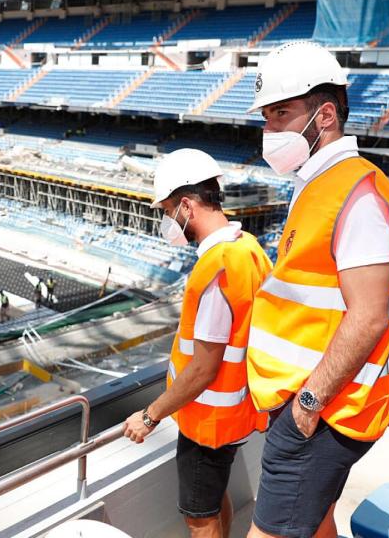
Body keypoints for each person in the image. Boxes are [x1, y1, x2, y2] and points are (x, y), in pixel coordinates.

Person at [243, 41, 389, 538]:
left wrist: (307, 406)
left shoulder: (356, 193)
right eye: (266, 118)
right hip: (312, 401)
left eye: (281, 114)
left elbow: (368, 316)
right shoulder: (320, 183)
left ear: (324, 116)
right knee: (318, 524)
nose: (269, 130)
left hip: (324, 409)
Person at [123, 148, 272, 538]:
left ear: (187, 206)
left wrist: (150, 416)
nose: (167, 221)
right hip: (232, 415)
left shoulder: (216, 267)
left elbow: (204, 367)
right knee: (213, 498)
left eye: (167, 211)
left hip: (207, 423)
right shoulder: (248, 248)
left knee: (198, 516)